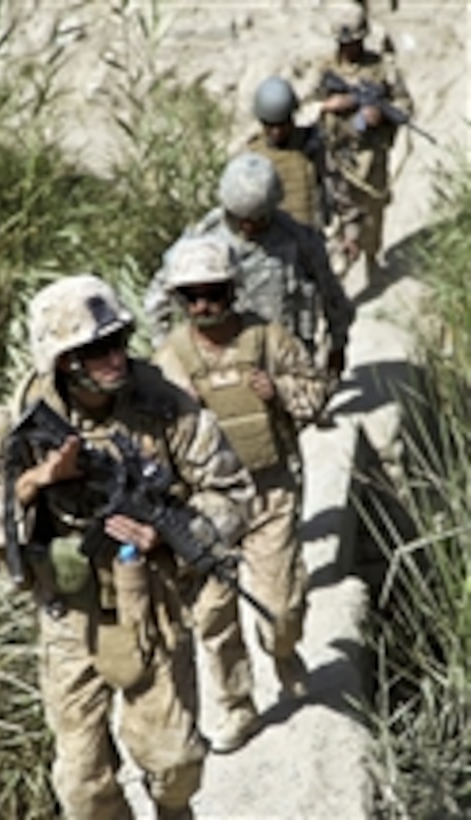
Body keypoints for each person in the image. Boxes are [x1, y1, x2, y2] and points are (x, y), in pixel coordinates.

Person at [0, 273, 255, 820]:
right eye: (95, 349)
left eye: (118, 341)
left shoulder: (164, 406)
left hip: (153, 601)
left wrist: (170, 530)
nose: (114, 357)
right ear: (64, 361)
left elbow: (233, 491)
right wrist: (35, 482)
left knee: (177, 764)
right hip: (68, 613)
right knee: (84, 788)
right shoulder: (19, 421)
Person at [152, 236, 331, 753]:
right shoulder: (169, 360)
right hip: (206, 504)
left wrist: (280, 393)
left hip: (269, 491)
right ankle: (237, 706)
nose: (203, 306)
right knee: (213, 615)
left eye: (212, 293)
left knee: (281, 606)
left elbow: (316, 393)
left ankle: (283, 650)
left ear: (232, 290)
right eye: (192, 297)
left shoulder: (268, 339)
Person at [144, 152, 355, 384]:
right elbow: (157, 301)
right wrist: (170, 358)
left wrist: (338, 343)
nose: (248, 226)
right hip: (225, 362)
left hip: (284, 357)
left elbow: (331, 293)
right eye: (239, 218)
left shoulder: (297, 239)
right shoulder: (200, 242)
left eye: (258, 219)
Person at [313, 0, 413, 279]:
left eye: (355, 42)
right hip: (335, 156)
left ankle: (370, 257)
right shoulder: (325, 70)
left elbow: (405, 107)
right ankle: (339, 265)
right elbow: (305, 107)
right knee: (339, 213)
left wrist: (380, 117)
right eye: (344, 43)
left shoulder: (382, 69)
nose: (349, 49)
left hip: (371, 157)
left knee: (373, 212)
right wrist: (332, 105)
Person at [245, 75, 330, 230]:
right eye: (270, 126)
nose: (277, 132)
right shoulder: (252, 157)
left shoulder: (311, 143)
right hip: (276, 242)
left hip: (310, 236)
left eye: (282, 124)